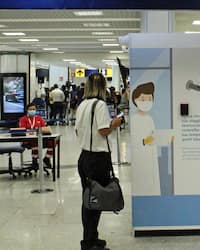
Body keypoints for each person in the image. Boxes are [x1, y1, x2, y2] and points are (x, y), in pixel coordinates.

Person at [75, 73, 122, 250]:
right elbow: (104, 130)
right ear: (103, 87)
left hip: (84, 157)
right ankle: (89, 243)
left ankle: (91, 238)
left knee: (89, 199)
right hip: (97, 158)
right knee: (96, 201)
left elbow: (77, 132)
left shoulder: (82, 105)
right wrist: (115, 123)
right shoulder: (100, 105)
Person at [130, 82, 161, 196]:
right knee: (143, 184)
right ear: (135, 100)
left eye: (149, 99)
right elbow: (137, 141)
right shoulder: (134, 119)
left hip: (151, 155)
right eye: (143, 99)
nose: (146, 102)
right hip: (141, 157)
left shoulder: (150, 119)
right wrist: (149, 140)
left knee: (152, 182)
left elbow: (153, 137)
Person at [19, 103, 53, 170]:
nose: (32, 111)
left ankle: (47, 158)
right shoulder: (23, 119)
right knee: (35, 141)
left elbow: (44, 128)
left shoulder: (39, 118)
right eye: (30, 109)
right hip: (28, 140)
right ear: (27, 110)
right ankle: (35, 160)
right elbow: (22, 130)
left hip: (41, 138)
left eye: (34, 109)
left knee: (54, 141)